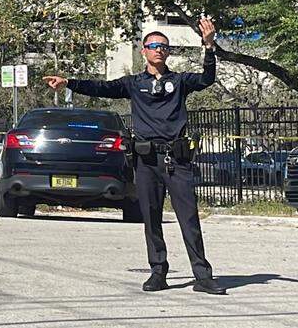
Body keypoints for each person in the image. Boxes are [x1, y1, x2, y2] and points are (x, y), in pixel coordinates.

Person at [42, 17, 226, 296]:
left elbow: (206, 79)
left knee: (189, 219)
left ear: (168, 52)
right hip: (146, 161)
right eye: (153, 46)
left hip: (177, 160)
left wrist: (209, 46)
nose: (159, 50)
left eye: (164, 46)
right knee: (151, 218)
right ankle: (158, 272)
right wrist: (68, 82)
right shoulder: (133, 83)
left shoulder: (179, 82)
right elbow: (101, 88)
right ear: (144, 51)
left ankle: (202, 276)